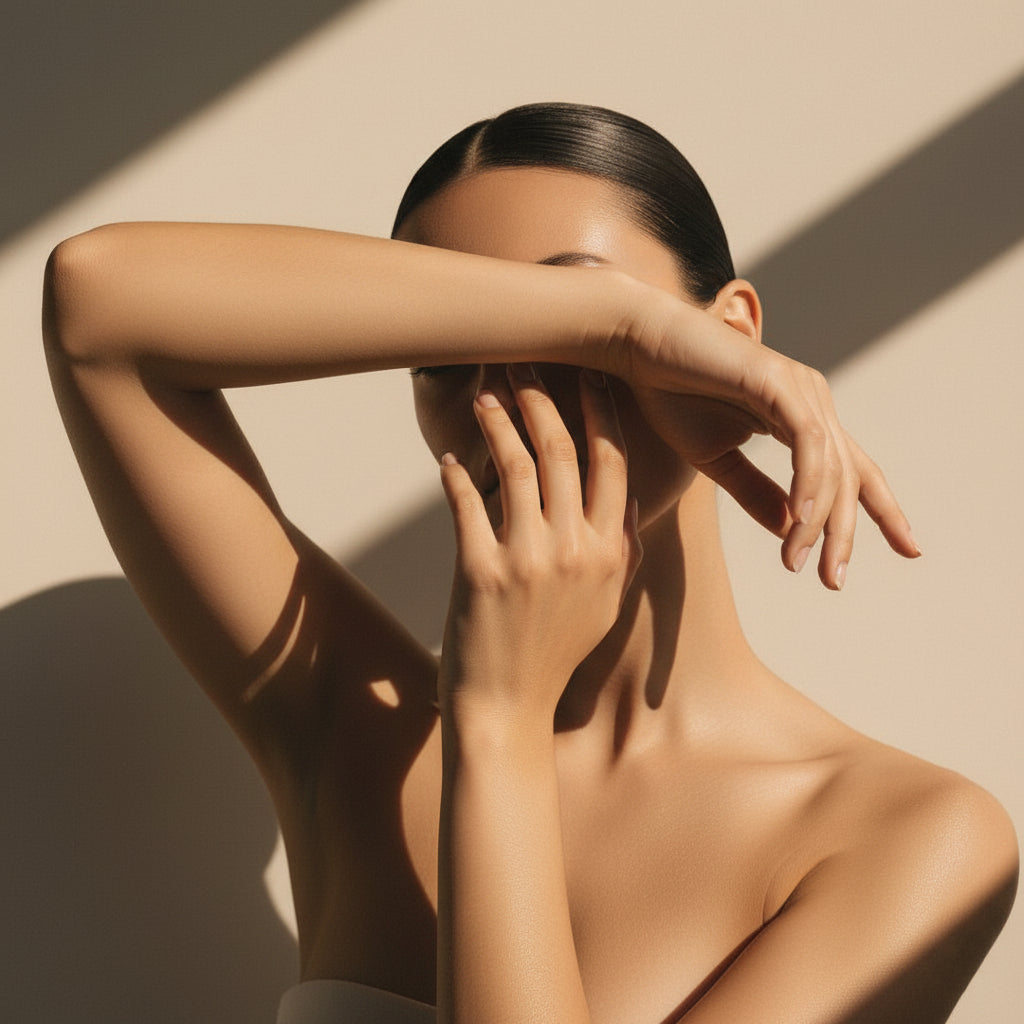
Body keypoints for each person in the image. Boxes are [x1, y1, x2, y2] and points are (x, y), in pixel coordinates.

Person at [43, 103, 1016, 1024]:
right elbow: (95, 303)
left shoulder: (909, 838)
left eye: (573, 320)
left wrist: (500, 723)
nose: (500, 399)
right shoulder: (355, 734)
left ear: (729, 338)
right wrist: (619, 325)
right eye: (449, 348)